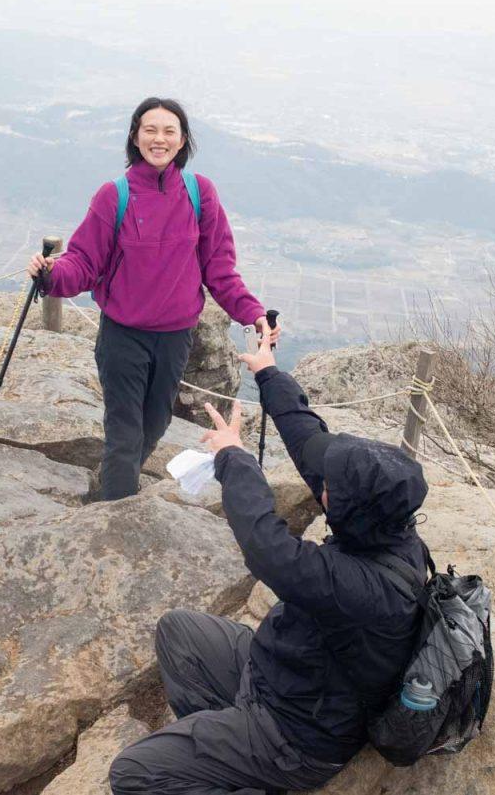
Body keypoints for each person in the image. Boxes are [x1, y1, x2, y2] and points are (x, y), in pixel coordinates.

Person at [108, 336, 430, 795]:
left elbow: (268, 548)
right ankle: (225, 758)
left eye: (331, 488)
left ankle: (243, 769)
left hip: (297, 736)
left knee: (134, 775)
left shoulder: (363, 588)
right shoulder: (383, 523)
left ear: (351, 509)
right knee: (178, 632)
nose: (322, 487)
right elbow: (310, 444)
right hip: (281, 675)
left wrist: (233, 459)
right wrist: (268, 375)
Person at [28, 97, 277, 501]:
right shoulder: (116, 196)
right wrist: (51, 275)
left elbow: (220, 270)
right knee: (125, 431)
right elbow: (84, 261)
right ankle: (115, 515)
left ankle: (109, 483)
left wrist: (253, 314)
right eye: (150, 130)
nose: (159, 139)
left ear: (182, 141)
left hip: (177, 336)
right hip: (123, 336)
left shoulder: (200, 194)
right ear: (135, 137)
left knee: (154, 424)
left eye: (169, 131)